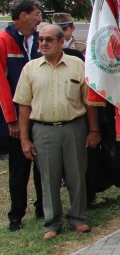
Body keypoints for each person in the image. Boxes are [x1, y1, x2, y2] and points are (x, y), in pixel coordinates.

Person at [13, 24, 100, 238]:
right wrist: (24, 139)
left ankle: (78, 217)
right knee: (48, 178)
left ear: (61, 42)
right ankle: (52, 222)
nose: (43, 43)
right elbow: (23, 106)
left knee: (76, 175)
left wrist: (94, 130)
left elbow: (88, 101)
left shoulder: (76, 65)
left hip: (74, 128)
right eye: (41, 39)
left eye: (49, 39)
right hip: (43, 131)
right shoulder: (30, 68)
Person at [0, 0, 44, 231]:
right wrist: (12, 120)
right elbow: (2, 86)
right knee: (19, 167)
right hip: (17, 119)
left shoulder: (38, 41)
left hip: (40, 115)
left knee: (42, 165)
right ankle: (16, 215)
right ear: (24, 15)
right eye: (37, 13)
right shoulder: (4, 41)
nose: (39, 19)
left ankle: (42, 207)